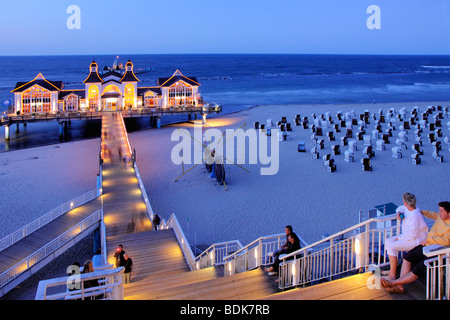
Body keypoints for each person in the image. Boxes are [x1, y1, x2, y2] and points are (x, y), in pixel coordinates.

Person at [381, 201, 450, 293]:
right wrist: (417, 211)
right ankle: (400, 286)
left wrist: (430, 239)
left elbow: (447, 241)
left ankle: (393, 283)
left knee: (418, 268)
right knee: (408, 257)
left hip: (437, 252)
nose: (439, 213)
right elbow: (430, 214)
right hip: (427, 245)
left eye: (441, 211)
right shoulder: (440, 217)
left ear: (449, 213)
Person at [382, 193, 428, 280]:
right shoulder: (409, 208)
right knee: (388, 241)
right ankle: (392, 270)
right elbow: (400, 207)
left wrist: (399, 238)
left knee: (391, 246)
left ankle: (392, 274)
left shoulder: (414, 216)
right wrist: (398, 213)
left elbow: (412, 235)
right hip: (407, 237)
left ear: (405, 202)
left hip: (416, 240)